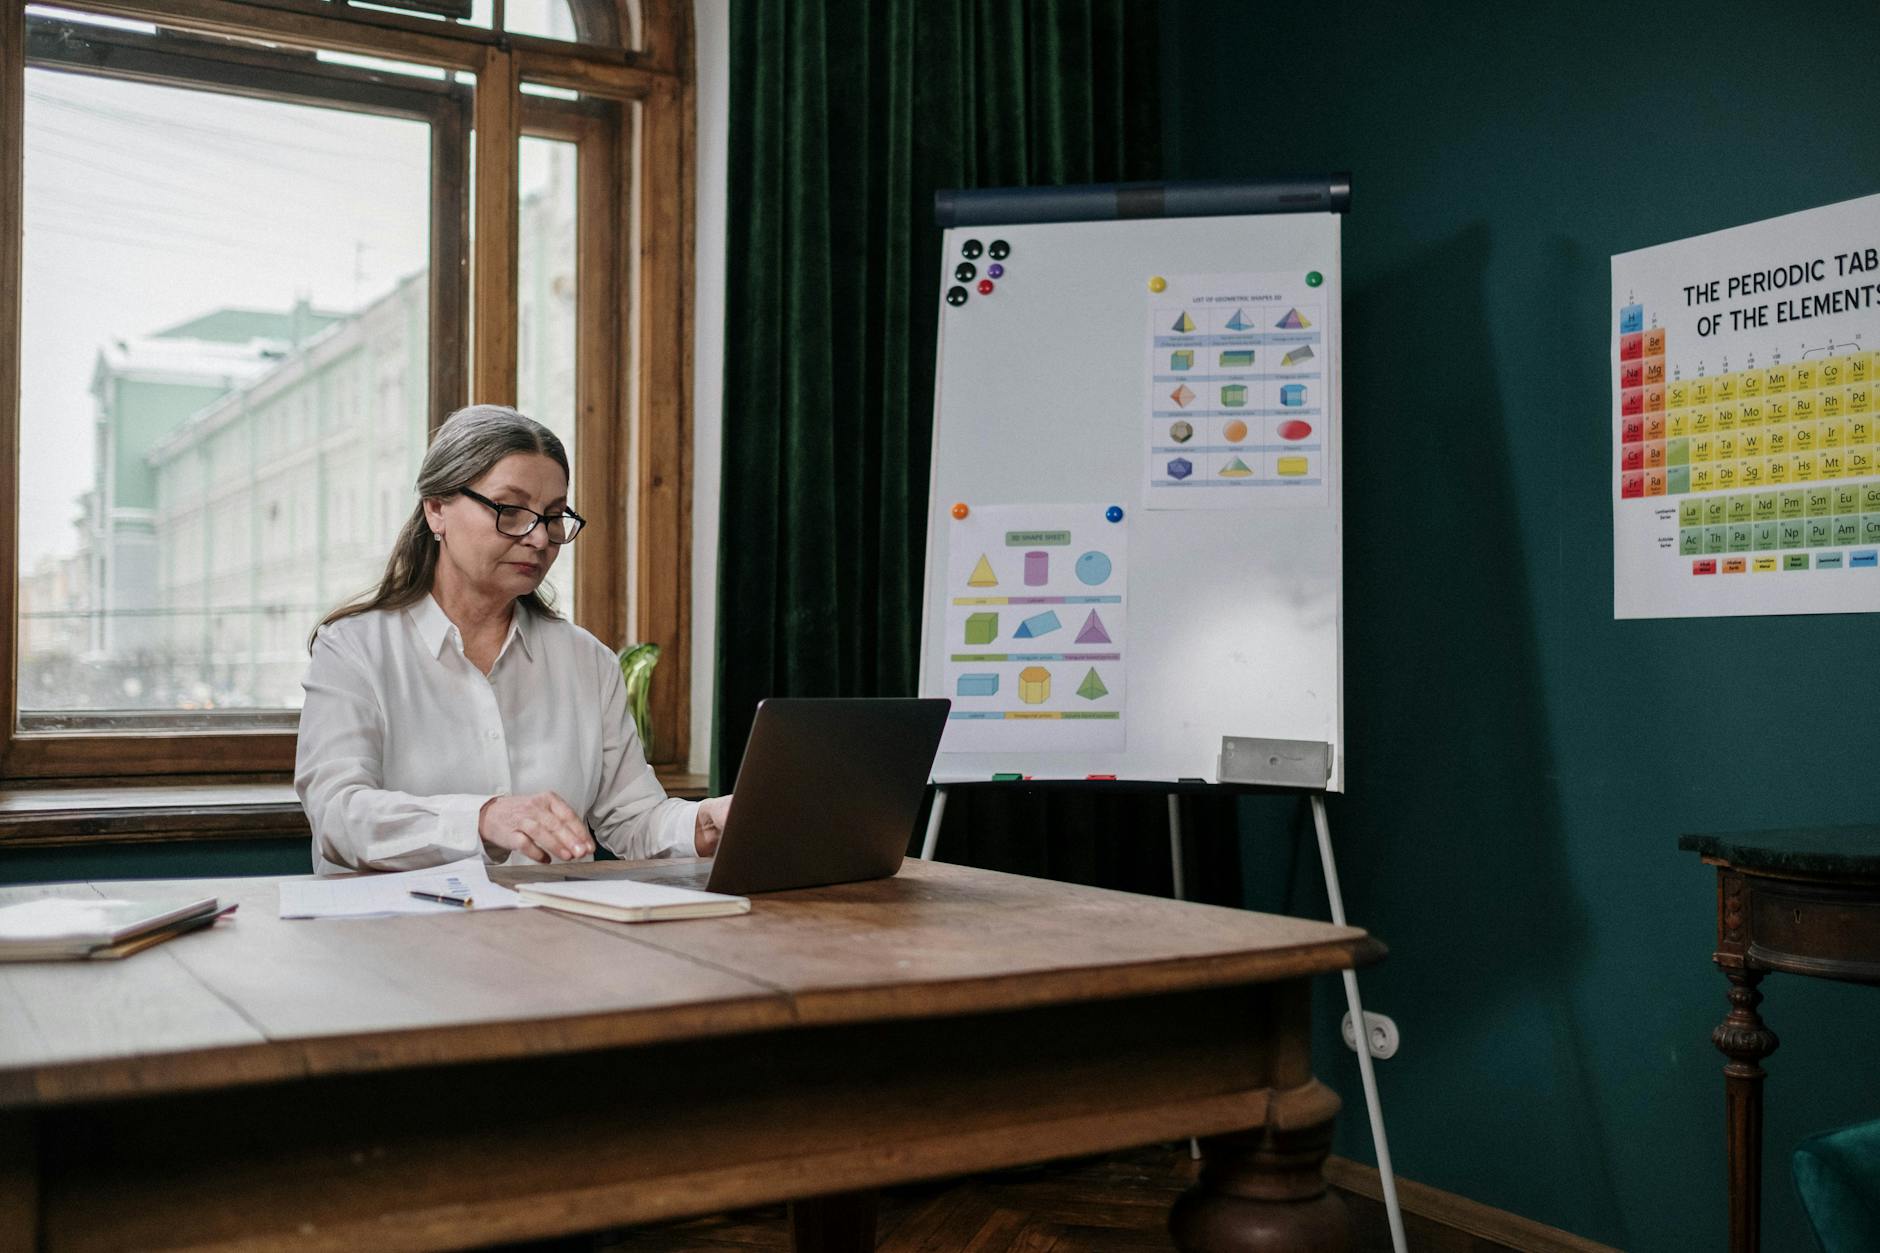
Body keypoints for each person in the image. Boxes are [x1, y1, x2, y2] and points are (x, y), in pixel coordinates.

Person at [295, 403, 729, 875]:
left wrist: (702, 823)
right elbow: (338, 814)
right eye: (511, 510)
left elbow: (633, 818)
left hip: (540, 935)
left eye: (554, 515)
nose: (539, 538)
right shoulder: (353, 649)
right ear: (437, 508)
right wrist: (482, 818)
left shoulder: (586, 661)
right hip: (392, 936)